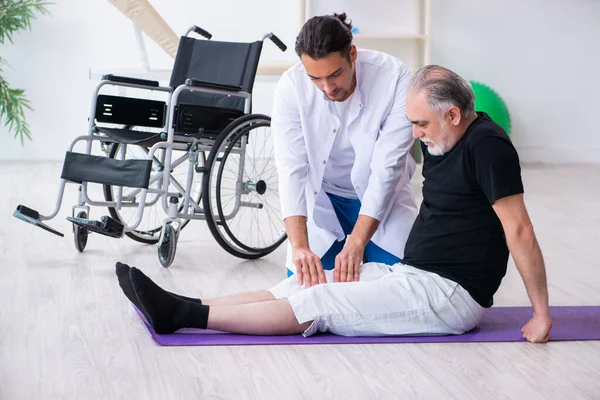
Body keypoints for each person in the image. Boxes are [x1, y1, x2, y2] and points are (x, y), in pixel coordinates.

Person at [116, 65, 552, 343]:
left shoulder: (488, 146)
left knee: (321, 304)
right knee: (309, 284)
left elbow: (520, 230)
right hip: (415, 273)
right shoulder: (444, 140)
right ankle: (186, 303)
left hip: (449, 296)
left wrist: (541, 315)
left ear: (453, 114)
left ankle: (184, 315)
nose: (415, 134)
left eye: (421, 123)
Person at [271, 13, 418, 287]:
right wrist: (300, 246)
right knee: (303, 290)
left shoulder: (395, 78)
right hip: (324, 201)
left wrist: (357, 242)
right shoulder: (290, 87)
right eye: (315, 78)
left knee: (399, 286)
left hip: (383, 201)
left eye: (335, 74)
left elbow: (387, 169)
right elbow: (291, 170)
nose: (327, 88)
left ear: (352, 54)